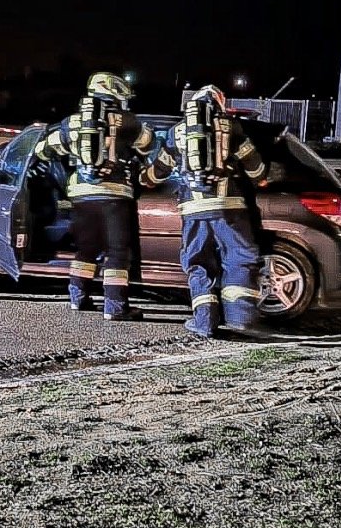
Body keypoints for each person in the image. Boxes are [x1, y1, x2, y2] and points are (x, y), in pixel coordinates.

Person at [34, 71, 175, 321]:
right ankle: (116, 306)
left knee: (85, 250)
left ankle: (78, 298)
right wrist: (148, 174)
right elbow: (152, 147)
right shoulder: (129, 122)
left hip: (81, 198)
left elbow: (42, 151)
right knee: (117, 251)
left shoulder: (72, 123)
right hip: (115, 197)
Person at [163, 84, 271, 339]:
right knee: (239, 258)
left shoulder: (176, 132)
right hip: (229, 209)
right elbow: (255, 168)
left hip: (192, 211)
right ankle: (241, 318)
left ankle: (204, 323)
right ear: (219, 103)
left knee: (198, 263)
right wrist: (261, 179)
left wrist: (144, 179)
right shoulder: (231, 127)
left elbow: (160, 168)